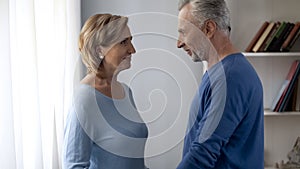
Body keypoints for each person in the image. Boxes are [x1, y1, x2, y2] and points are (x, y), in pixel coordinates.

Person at [176, 0, 264, 168]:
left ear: (208, 29)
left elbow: (203, 152)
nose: (179, 43)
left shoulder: (231, 77)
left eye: (184, 33)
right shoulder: (220, 73)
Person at [63, 13, 148, 169]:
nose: (132, 49)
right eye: (124, 42)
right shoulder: (83, 99)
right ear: (99, 50)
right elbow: (73, 166)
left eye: (131, 41)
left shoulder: (126, 92)